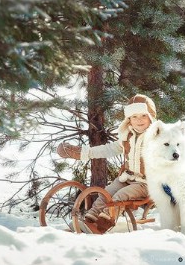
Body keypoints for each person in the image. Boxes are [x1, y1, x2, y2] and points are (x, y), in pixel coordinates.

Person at [56, 94, 157, 233]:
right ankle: (90, 220)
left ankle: (102, 225)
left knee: (119, 197)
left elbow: (172, 153)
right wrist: (83, 152)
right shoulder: (127, 137)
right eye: (134, 116)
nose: (139, 120)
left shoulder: (158, 138)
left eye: (143, 116)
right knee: (106, 193)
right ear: (129, 120)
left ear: (151, 116)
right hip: (127, 178)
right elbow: (108, 149)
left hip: (146, 183)